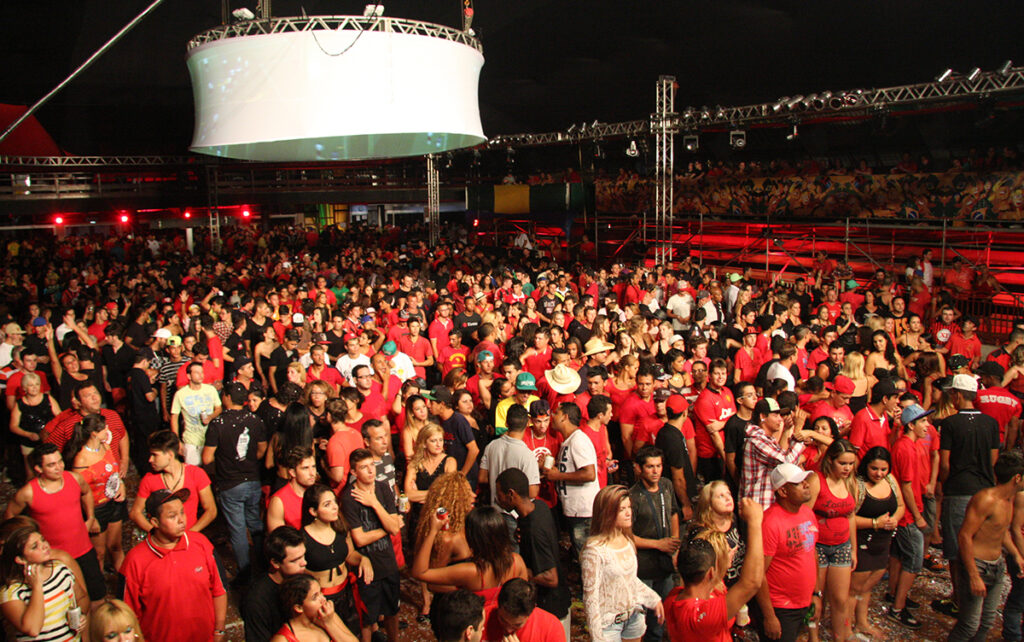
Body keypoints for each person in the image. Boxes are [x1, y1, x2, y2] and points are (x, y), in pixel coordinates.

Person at [3, 443, 106, 603]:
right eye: (52, 465)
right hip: (53, 557)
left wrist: (91, 517)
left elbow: (86, 493)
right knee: (68, 601)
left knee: (97, 597)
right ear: (38, 468)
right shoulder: (28, 493)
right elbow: (10, 517)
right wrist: (25, 543)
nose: (59, 467)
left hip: (84, 550)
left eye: (60, 462)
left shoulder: (74, 478)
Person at [120, 488, 227, 642]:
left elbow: (218, 589)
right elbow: (126, 615)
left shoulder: (201, 543)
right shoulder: (135, 561)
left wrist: (219, 630)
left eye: (182, 512)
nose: (181, 520)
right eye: (172, 516)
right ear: (155, 522)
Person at [938, 373, 1000, 617]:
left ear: (957, 395)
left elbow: (945, 463)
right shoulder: (991, 424)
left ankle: (959, 600)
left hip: (958, 490)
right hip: (984, 491)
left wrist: (945, 484)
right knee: (978, 545)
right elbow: (994, 460)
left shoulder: (950, 424)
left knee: (956, 548)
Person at [663, 498, 765, 642]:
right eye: (727, 552)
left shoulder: (673, 598)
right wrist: (755, 523)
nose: (732, 552)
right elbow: (751, 583)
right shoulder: (700, 615)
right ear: (711, 572)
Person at [949, 451, 1024, 641]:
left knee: (987, 622)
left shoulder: (1008, 500)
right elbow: (965, 536)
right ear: (1017, 478)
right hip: (977, 565)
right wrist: (973, 575)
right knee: (969, 626)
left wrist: (1016, 555)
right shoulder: (986, 499)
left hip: (996, 566)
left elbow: (1001, 531)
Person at [580, 484, 664, 642]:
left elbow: (629, 580)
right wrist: (597, 637)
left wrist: (653, 598)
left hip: (633, 617)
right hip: (609, 625)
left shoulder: (627, 540)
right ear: (607, 514)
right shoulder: (595, 550)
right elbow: (591, 598)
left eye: (629, 507)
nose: (628, 513)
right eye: (621, 509)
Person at [202, 382, 267, 582]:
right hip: (253, 479)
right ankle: (264, 566)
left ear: (227, 398)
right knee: (255, 522)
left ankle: (245, 573)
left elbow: (206, 458)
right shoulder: (256, 420)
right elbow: (261, 450)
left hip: (230, 483)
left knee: (237, 529)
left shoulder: (218, 424)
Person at [495, 468, 572, 638]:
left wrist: (522, 572)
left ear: (511, 494)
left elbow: (551, 578)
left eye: (499, 494)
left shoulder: (533, 529)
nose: (497, 499)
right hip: (556, 602)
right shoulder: (539, 507)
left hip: (552, 610)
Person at [411, 505, 528, 607]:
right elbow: (524, 598)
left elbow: (420, 573)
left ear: (473, 539)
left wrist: (432, 531)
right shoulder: (517, 562)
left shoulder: (471, 571)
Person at [340, 448, 401, 642]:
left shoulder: (383, 488)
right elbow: (360, 539)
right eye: (363, 467)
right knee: (368, 619)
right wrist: (388, 528)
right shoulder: (349, 498)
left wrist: (374, 503)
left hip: (388, 562)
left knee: (392, 611)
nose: (370, 471)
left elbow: (395, 528)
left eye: (371, 466)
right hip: (367, 567)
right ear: (353, 472)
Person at [757, 463, 818, 642]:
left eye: (805, 480)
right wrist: (769, 616)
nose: (807, 485)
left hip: (804, 602)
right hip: (780, 608)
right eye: (799, 483)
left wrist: (816, 594)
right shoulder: (770, 523)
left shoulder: (807, 513)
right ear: (783, 492)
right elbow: (758, 574)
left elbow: (812, 553)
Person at [301, 483, 371, 636]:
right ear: (313, 511)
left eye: (334, 501)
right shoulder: (302, 539)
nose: (335, 507)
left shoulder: (339, 527)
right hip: (322, 599)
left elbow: (350, 554)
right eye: (327, 504)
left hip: (345, 593)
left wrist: (363, 559)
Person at [805, 439, 858, 642]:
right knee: (815, 597)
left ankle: (839, 636)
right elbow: (805, 515)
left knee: (840, 599)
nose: (847, 468)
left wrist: (853, 549)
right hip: (817, 545)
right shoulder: (817, 480)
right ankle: (813, 636)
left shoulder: (850, 481)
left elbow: (851, 515)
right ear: (831, 461)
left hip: (842, 544)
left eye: (850, 464)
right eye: (842, 463)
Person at [849, 446, 903, 639]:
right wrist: (874, 523)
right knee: (854, 588)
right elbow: (849, 517)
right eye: (874, 469)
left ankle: (862, 622)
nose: (879, 473)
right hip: (863, 542)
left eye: (883, 469)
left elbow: (901, 505)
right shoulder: (858, 484)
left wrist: (895, 518)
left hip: (883, 542)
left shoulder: (890, 480)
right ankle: (846, 628)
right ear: (866, 466)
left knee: (868, 586)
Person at [0, 524, 89, 642]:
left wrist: (80, 614)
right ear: (20, 559)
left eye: (43, 540)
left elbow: (82, 597)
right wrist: (37, 587)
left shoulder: (60, 569)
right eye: (34, 546)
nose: (44, 546)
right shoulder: (10, 592)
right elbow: (33, 629)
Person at [63, 413, 127, 575]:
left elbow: (114, 470)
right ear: (93, 433)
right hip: (97, 509)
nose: (107, 430)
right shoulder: (81, 460)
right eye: (104, 428)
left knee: (116, 546)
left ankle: (125, 584)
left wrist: (121, 485)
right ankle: (99, 593)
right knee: (99, 554)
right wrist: (91, 517)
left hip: (114, 503)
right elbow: (80, 493)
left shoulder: (105, 446)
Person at [887, 404, 933, 628]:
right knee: (914, 561)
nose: (927, 426)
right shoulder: (905, 448)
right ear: (911, 425)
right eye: (923, 422)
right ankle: (898, 607)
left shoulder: (908, 445)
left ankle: (894, 594)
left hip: (908, 511)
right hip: (907, 514)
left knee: (898, 555)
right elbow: (905, 485)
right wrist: (917, 514)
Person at [627, 446, 679, 642]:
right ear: (640, 469)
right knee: (642, 620)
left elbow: (673, 512)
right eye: (650, 467)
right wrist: (658, 544)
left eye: (658, 466)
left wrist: (673, 546)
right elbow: (627, 536)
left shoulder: (666, 485)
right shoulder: (633, 496)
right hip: (644, 568)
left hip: (665, 564)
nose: (655, 471)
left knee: (662, 615)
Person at [130, 430, 217, 535]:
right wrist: (156, 534)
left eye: (155, 455)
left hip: (190, 537)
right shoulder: (149, 480)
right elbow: (135, 512)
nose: (150, 459)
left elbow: (211, 510)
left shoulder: (196, 474)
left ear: (170, 455)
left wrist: (190, 534)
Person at [541, 402, 598, 556]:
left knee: (587, 558)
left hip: (584, 512)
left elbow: (589, 474)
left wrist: (558, 475)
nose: (552, 416)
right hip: (576, 511)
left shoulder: (578, 440)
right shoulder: (570, 440)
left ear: (565, 417)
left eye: (556, 413)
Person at [242, 526, 309, 642]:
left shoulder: (304, 580)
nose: (304, 563)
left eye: (303, 556)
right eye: (295, 560)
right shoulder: (257, 600)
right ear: (275, 563)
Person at [741, 397, 805, 508]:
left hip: (767, 504)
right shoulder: (756, 440)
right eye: (775, 416)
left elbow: (782, 454)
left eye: (780, 416)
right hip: (759, 506)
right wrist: (798, 432)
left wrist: (786, 431)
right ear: (762, 417)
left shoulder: (767, 439)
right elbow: (787, 463)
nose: (780, 420)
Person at [478, 404, 540, 506]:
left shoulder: (491, 446)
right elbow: (532, 492)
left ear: (506, 423)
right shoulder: (527, 455)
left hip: (495, 511)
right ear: (527, 423)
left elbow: (482, 478)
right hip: (515, 515)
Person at [269, 573, 359, 642]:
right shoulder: (283, 639)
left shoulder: (327, 617)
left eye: (320, 592)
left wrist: (330, 624)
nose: (323, 599)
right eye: (315, 597)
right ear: (299, 608)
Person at [170, 361, 222, 465]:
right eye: (197, 373)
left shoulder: (210, 390)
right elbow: (174, 417)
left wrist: (210, 416)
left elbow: (219, 408)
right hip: (191, 441)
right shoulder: (180, 394)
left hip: (210, 439)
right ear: (189, 376)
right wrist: (177, 441)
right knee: (193, 472)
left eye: (202, 372)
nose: (201, 375)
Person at [482, 578, 566, 641]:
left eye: (517, 624)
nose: (508, 630)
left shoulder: (551, 627)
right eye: (503, 620)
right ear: (498, 605)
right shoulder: (481, 618)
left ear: (532, 610)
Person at [268, 447, 318, 532]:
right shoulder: (279, 501)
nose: (312, 473)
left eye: (313, 467)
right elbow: (277, 540)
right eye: (305, 468)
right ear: (292, 472)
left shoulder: (320, 493)